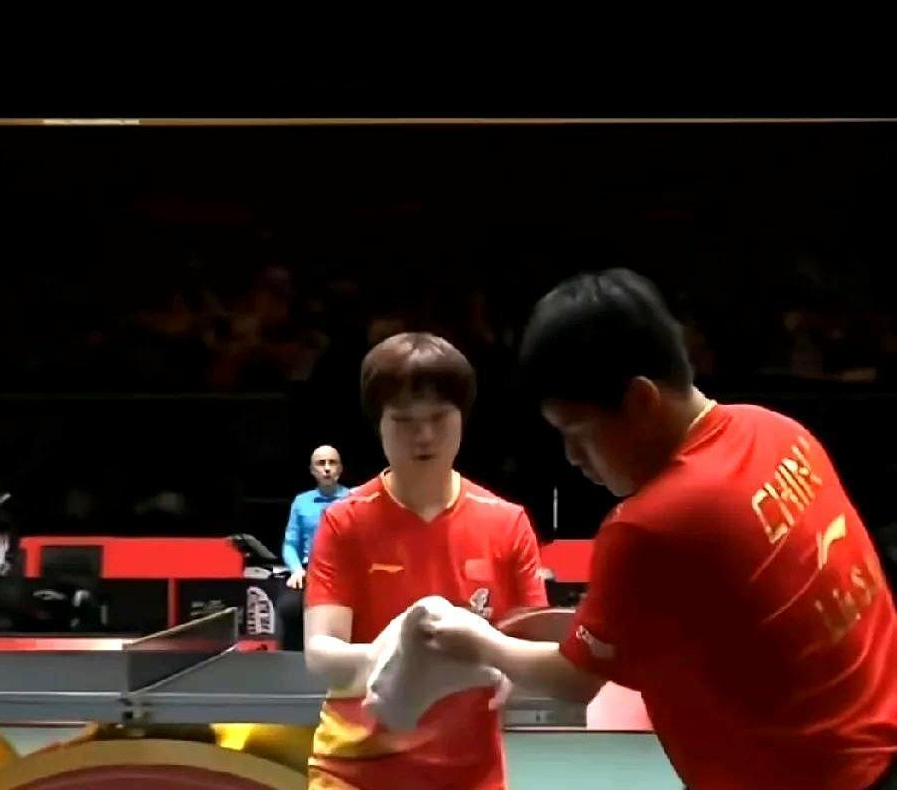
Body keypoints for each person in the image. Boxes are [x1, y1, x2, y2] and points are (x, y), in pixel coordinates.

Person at [420, 269, 897, 790]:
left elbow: (574, 679)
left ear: (641, 401)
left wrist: (477, 642)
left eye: (576, 432)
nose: (572, 456)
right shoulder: (777, 430)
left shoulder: (652, 526)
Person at [303, 332, 547, 790]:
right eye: (404, 420)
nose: (425, 435)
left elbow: (533, 649)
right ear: (379, 424)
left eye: (439, 417)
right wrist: (399, 656)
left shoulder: (507, 522)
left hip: (470, 774)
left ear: (463, 419)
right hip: (355, 769)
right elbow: (321, 652)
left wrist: (509, 670)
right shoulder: (344, 522)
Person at [277, 445, 349, 651]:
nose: (327, 468)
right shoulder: (301, 502)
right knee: (289, 607)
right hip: (311, 571)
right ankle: (291, 660)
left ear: (340, 469)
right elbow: (290, 544)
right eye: (321, 463)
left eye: (332, 463)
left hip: (344, 572)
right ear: (312, 470)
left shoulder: (354, 498)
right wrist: (296, 569)